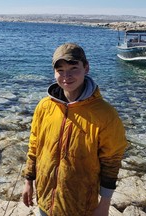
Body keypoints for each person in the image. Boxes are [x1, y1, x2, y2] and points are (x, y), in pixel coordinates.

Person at [22, 43, 127, 216]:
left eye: (73, 68)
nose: (67, 76)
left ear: (86, 68)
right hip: (45, 201)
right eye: (60, 70)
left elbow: (111, 160)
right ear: (54, 72)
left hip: (81, 206)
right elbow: (34, 145)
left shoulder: (105, 114)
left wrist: (105, 204)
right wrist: (28, 181)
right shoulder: (44, 107)